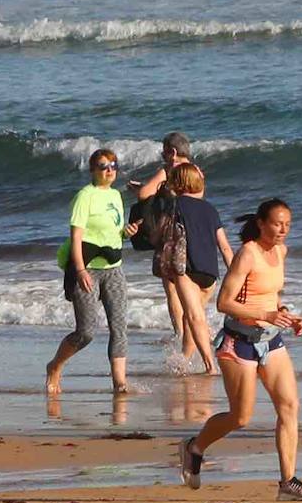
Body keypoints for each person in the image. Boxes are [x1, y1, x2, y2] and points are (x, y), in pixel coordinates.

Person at [178, 199, 302, 502]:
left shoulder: (280, 251)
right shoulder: (247, 254)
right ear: (261, 223)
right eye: (277, 224)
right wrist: (266, 315)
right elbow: (224, 303)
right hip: (238, 342)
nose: (283, 230)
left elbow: (270, 294)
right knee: (240, 417)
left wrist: (285, 314)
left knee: (289, 406)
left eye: (287, 224)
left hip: (271, 341)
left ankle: (288, 482)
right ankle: (194, 447)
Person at [45, 148, 140, 395]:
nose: (109, 170)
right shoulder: (85, 196)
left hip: (114, 270)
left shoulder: (116, 196)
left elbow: (112, 232)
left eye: (113, 166)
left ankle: (120, 383)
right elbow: (76, 237)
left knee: (119, 328)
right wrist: (80, 270)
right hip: (87, 270)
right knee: (86, 332)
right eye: (103, 166)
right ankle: (55, 365)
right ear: (92, 170)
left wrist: (126, 232)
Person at [133, 131, 199, 362]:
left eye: (164, 152)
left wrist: (141, 189)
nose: (163, 157)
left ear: (172, 152)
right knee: (190, 286)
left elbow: (144, 193)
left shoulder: (169, 170)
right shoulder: (196, 171)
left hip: (172, 234)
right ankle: (193, 331)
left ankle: (180, 333)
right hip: (194, 231)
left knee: (172, 288)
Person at [167, 163, 234, 374]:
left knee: (195, 317)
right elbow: (224, 246)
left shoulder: (175, 205)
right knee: (191, 318)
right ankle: (185, 360)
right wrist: (236, 276)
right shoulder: (210, 209)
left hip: (187, 269)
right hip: (209, 273)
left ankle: (210, 365)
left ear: (177, 183)